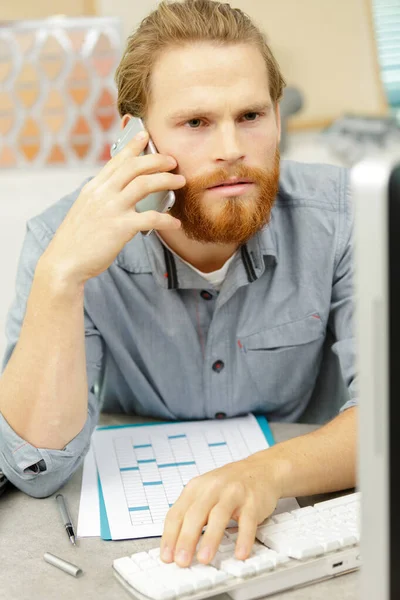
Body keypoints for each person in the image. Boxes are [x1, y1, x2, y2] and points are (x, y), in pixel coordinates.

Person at [0, 0, 356, 568]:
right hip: (134, 547)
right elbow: (33, 468)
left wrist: (266, 472)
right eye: (195, 123)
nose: (232, 148)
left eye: (251, 116)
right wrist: (60, 277)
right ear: (134, 139)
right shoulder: (61, 240)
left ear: (278, 115)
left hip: (292, 524)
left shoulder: (340, 214)